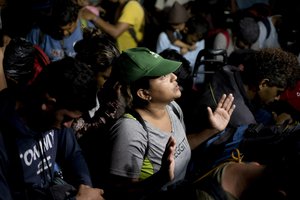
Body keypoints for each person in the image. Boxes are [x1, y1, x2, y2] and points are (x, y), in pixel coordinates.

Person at [99, 47, 244, 199]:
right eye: (162, 76)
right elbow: (121, 193)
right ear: (144, 93)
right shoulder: (130, 130)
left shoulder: (171, 107)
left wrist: (212, 130)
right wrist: (160, 178)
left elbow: (180, 146)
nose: (174, 77)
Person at [0, 56, 104, 200]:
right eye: (67, 118)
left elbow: (73, 154)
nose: (69, 126)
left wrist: (86, 187)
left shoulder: (53, 118)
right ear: (48, 103)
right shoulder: (5, 139)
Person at [26, 0, 95, 62]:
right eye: (59, 29)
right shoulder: (38, 32)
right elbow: (26, 55)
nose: (64, 33)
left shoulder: (87, 30)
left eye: (69, 29)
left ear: (76, 20)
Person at [80, 0, 145, 51]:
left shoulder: (132, 6)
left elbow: (115, 32)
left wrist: (94, 17)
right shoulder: (121, 5)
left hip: (127, 56)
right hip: (118, 52)